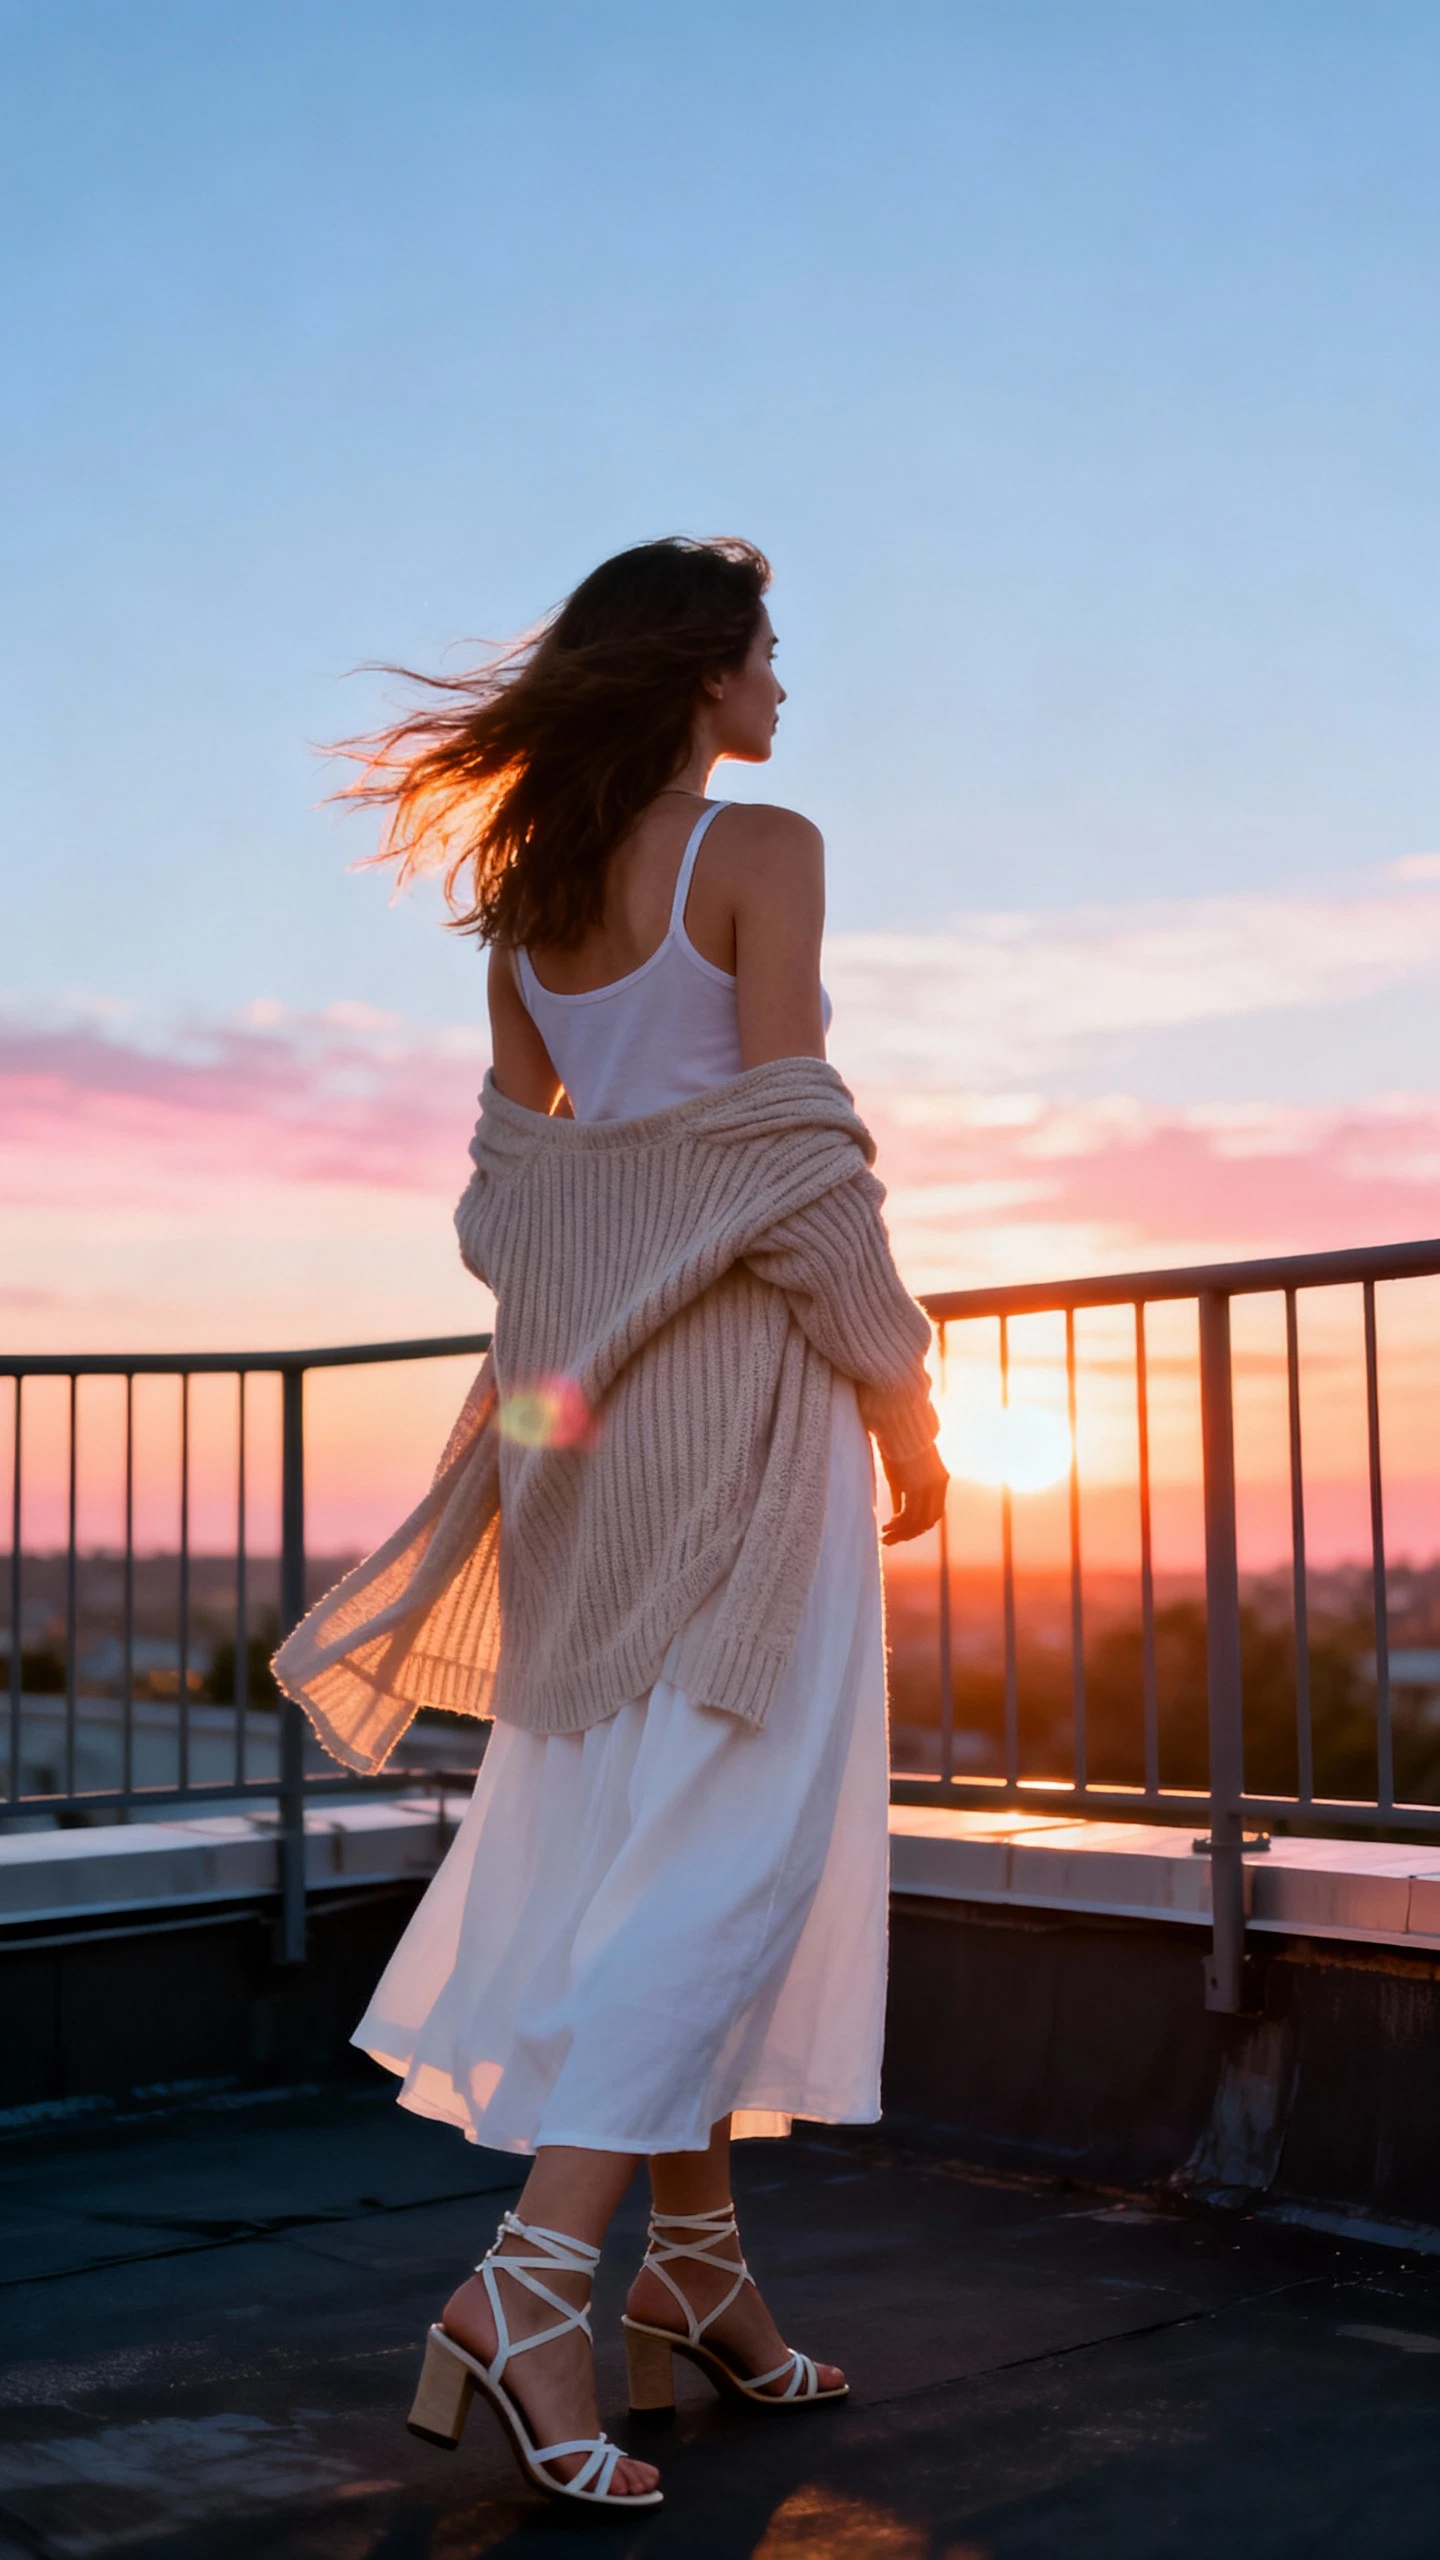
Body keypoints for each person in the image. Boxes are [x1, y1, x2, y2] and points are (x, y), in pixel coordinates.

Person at [275, 537, 947, 2511]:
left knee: (650, 1834)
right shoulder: (764, 847)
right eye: (766, 655)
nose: (784, 691)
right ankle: (533, 2281)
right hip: (750, 1417)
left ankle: (703, 2279)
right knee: (726, 1858)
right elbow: (799, 1142)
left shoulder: (529, 921)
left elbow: (509, 1206)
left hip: (589, 1442)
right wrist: (902, 1387)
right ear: (699, 676)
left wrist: (625, 1225)